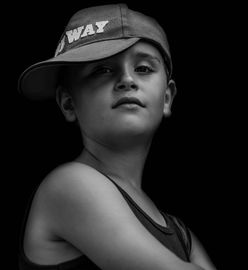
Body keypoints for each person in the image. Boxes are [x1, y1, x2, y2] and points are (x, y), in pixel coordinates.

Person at [17, 3, 216, 270]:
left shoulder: (181, 234)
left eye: (143, 68)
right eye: (102, 70)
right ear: (68, 103)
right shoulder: (70, 185)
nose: (127, 80)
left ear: (167, 98)